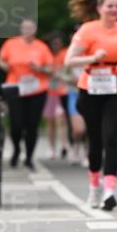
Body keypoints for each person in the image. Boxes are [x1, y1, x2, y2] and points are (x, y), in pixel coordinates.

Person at [65, 0, 117, 209]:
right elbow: (69, 60)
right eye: (109, 6)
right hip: (91, 89)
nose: (114, 10)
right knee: (95, 140)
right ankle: (94, 188)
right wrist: (92, 57)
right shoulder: (88, 30)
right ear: (99, 8)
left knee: (111, 138)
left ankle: (109, 191)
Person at [0, 18, 54, 170]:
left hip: (37, 89)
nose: (28, 30)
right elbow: (0, 60)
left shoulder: (41, 47)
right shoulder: (11, 44)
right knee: (16, 124)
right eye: (25, 28)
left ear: (35, 30)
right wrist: (6, 66)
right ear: (21, 29)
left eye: (31, 28)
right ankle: (16, 150)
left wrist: (40, 68)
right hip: (16, 88)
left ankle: (29, 157)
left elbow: (51, 69)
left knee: (32, 125)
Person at [43, 32, 69, 160]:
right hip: (49, 92)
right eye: (54, 43)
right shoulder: (46, 54)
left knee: (61, 120)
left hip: (62, 91)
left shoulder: (65, 53)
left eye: (58, 42)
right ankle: (51, 148)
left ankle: (63, 146)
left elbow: (65, 70)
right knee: (50, 122)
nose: (56, 45)